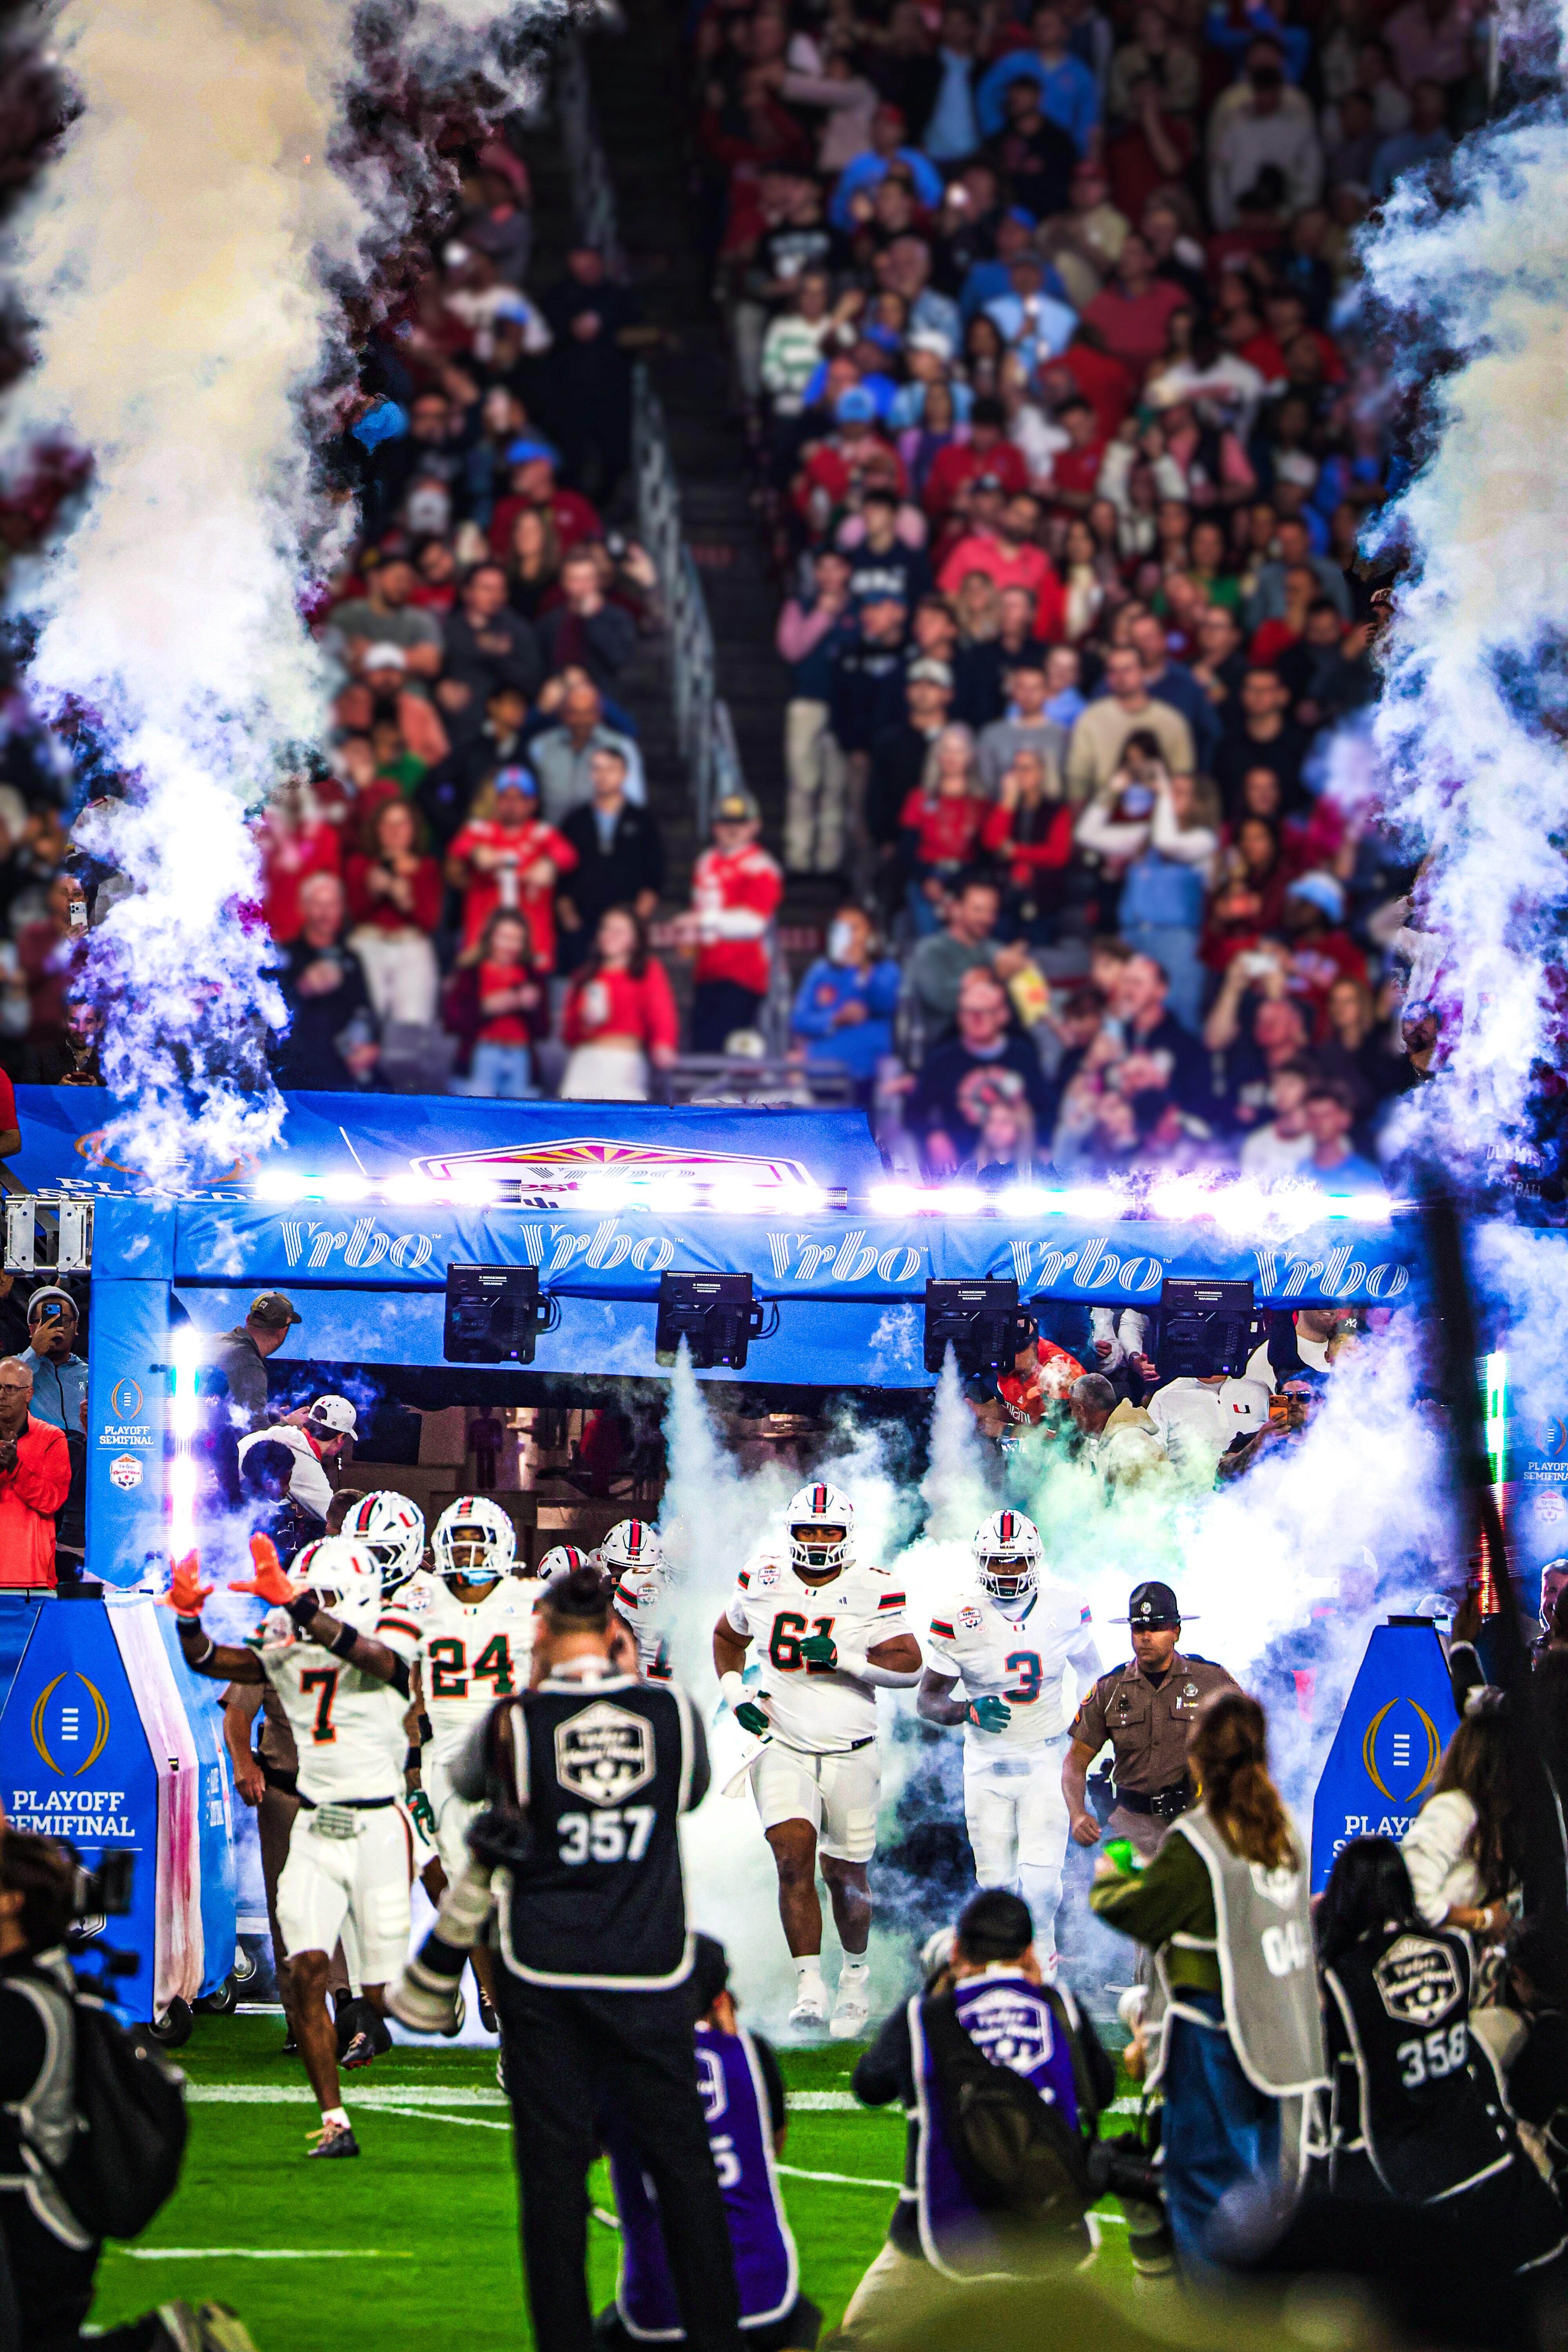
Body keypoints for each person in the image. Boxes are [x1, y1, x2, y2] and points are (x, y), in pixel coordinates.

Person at [394, 1564, 744, 2352]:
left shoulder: (513, 1720)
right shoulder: (672, 1713)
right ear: (618, 1638)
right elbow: (687, 1796)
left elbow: (463, 1783)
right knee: (684, 2172)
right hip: (650, 1967)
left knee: (552, 2186)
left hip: (543, 1972)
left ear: (542, 1637)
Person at [170, 1534, 424, 2158]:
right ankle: (335, 2119)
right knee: (304, 1967)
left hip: (379, 1825)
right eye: (303, 1594)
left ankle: (372, 2017)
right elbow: (214, 1661)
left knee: (382, 1986)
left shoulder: (393, 1632)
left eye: (320, 1596)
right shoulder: (289, 1647)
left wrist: (305, 1610)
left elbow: (385, 1664)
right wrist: (186, 1619)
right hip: (315, 1819)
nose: (304, 1605)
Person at [0, 1828, 260, 2352]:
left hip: (24, 2236)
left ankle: (166, 2344)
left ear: (11, 1903)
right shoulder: (42, 1989)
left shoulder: (21, 2007)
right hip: (46, 2231)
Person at [1090, 1690, 1325, 2269]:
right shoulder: (1287, 1828)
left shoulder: (1201, 1838)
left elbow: (1142, 1909)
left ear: (1197, 1761)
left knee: (1205, 2191)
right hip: (1287, 2033)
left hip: (1220, 2034)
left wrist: (1108, 1876)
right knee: (1271, 2194)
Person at [841, 1889, 1113, 2329]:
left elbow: (869, 2086)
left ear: (955, 1950)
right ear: (1029, 1952)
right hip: (1050, 2231)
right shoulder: (1062, 2009)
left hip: (943, 2234)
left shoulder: (923, 2017)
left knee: (861, 2335)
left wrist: (932, 1993)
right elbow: (1100, 2094)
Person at [713, 1483, 922, 2034]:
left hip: (852, 1749)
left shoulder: (875, 1586)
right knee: (791, 1858)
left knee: (847, 1878)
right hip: (782, 1744)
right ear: (792, 1533)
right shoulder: (761, 1577)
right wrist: (736, 1696)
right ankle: (809, 1986)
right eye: (808, 1530)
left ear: (847, 1536)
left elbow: (911, 1667)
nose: (818, 1540)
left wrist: (846, 1658)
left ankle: (854, 1975)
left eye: (828, 1531)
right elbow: (726, 1636)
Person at [1309, 1834, 1567, 2277]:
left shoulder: (1343, 1975)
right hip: (1478, 2149)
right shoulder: (1453, 1949)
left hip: (1403, 2173)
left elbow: (1328, 2080)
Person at [598, 1934, 818, 2351]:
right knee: (803, 2321)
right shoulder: (753, 2055)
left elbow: (591, 2147)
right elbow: (773, 2147)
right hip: (762, 2297)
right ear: (720, 1999)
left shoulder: (614, 2063)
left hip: (661, 2309)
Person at [376, 1498, 537, 2036]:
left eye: (479, 1540)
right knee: (466, 1891)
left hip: (514, 1762)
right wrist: (412, 1767)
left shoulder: (531, 1601)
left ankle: (528, 2001)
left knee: (522, 1895)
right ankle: (494, 1997)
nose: (467, 1551)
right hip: (446, 1762)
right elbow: (404, 1690)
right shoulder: (416, 1599)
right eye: (459, 1539)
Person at [919, 1511, 1102, 1960]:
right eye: (998, 1562)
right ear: (981, 1563)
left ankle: (1044, 1962)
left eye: (1016, 1562)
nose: (1006, 1572)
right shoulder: (957, 1616)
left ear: (1034, 1561)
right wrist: (968, 1709)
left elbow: (1094, 1678)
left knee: (1041, 1882)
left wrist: (1084, 1741)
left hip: (1046, 1757)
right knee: (994, 1884)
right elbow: (927, 1701)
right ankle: (998, 1966)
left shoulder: (1064, 1606)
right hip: (985, 1763)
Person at [1063, 1581, 1238, 1860]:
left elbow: (1246, 1749)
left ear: (1176, 1632)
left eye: (1156, 1628)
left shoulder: (1211, 1681)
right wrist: (1078, 1815)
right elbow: (1074, 1763)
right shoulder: (1110, 1688)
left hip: (1197, 1825)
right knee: (1127, 1902)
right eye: (1138, 1629)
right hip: (1129, 1829)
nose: (1146, 1637)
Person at [906, 966, 1052, 1173]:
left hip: (1018, 1167)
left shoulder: (1022, 1055)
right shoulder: (942, 1059)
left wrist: (1043, 1146)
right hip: (959, 1168)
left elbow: (1047, 1108)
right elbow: (914, 1110)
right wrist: (933, 1135)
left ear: (1001, 1014)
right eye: (969, 1012)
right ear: (959, 1017)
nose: (976, 1019)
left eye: (984, 1012)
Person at [1401, 1703, 1529, 1938]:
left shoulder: (1496, 1821)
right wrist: (1484, 1920)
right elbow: (1415, 1898)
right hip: (1429, 1961)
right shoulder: (1454, 1809)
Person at [679, 790, 784, 1054]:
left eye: (741, 823)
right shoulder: (705, 862)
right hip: (706, 970)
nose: (732, 829)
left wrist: (703, 920)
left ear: (755, 825)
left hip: (743, 974)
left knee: (730, 1050)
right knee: (701, 1046)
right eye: (726, 823)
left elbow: (753, 923)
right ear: (714, 826)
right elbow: (699, 907)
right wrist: (690, 938)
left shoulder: (762, 866)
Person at [555, 745, 665, 970]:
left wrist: (635, 922)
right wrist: (569, 918)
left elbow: (654, 875)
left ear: (625, 774)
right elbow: (561, 876)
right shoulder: (575, 820)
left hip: (625, 923)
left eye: (612, 769)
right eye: (598, 769)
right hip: (583, 924)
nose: (604, 776)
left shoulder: (643, 821)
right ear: (590, 774)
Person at [272, 873, 381, 1091]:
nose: (325, 913)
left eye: (332, 905)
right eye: (318, 905)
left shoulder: (352, 958)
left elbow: (368, 1011)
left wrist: (371, 1048)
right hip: (296, 1077)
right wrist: (303, 988)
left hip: (343, 1074)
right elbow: (271, 1025)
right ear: (303, 909)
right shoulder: (282, 957)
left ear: (341, 909)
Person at [559, 905, 679, 1101]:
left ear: (635, 939)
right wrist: (584, 1022)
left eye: (619, 931)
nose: (610, 935)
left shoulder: (647, 970)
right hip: (585, 1061)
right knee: (576, 1126)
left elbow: (661, 1011)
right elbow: (568, 1034)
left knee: (622, 1125)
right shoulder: (584, 975)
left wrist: (664, 1043)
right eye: (606, 928)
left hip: (624, 1061)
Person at [343, 797, 444, 1031]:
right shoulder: (360, 865)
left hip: (411, 950)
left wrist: (407, 901)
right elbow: (353, 916)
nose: (395, 832)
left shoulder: (427, 868)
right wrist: (373, 892)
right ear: (378, 829)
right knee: (363, 1024)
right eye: (388, 824)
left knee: (411, 1027)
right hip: (368, 946)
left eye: (402, 824)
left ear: (413, 829)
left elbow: (430, 922)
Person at [789, 906, 900, 1093]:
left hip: (869, 1077)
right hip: (822, 1075)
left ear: (871, 933)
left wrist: (864, 970)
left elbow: (886, 1004)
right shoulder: (821, 970)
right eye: (842, 928)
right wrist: (836, 1018)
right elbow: (798, 1020)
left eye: (855, 928)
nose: (848, 936)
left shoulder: (886, 970)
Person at [0, 1356, 71, 1590]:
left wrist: (15, 1468)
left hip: (31, 1577)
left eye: (10, 1388)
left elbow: (53, 1500)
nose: (2, 1395)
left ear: (29, 1394)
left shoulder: (52, 1438)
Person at [237, 1396, 358, 1531]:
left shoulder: (285, 1434)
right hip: (239, 1522)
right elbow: (340, 1520)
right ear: (340, 1438)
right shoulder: (305, 1463)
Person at [201, 1293, 302, 1432]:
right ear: (283, 1331)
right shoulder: (250, 1366)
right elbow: (258, 1437)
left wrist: (269, 1414)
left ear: (248, 1319)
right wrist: (290, 1425)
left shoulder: (217, 1340)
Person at [18, 1286, 87, 1437]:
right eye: (47, 1321)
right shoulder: (16, 1366)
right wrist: (34, 1351)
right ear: (32, 1330)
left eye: (64, 1320)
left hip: (83, 1453)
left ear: (76, 1327)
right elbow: (10, 1388)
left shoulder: (92, 1373)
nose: (57, 1328)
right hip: (39, 1452)